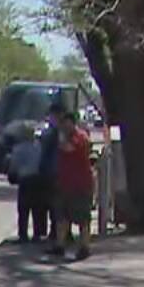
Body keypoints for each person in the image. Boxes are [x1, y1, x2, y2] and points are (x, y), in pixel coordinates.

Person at [49, 109, 95, 261]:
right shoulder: (64, 137)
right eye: (63, 123)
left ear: (73, 123)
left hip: (80, 184)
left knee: (82, 218)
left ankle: (84, 247)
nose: (64, 126)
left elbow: (68, 148)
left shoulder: (80, 137)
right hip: (65, 183)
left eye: (66, 123)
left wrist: (61, 135)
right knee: (61, 216)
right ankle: (59, 245)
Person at [9, 129, 48, 243]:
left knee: (23, 209)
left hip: (24, 179)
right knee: (37, 207)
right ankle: (37, 234)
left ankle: (23, 234)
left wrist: (12, 174)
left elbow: (14, 165)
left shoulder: (18, 149)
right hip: (37, 178)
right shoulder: (39, 147)